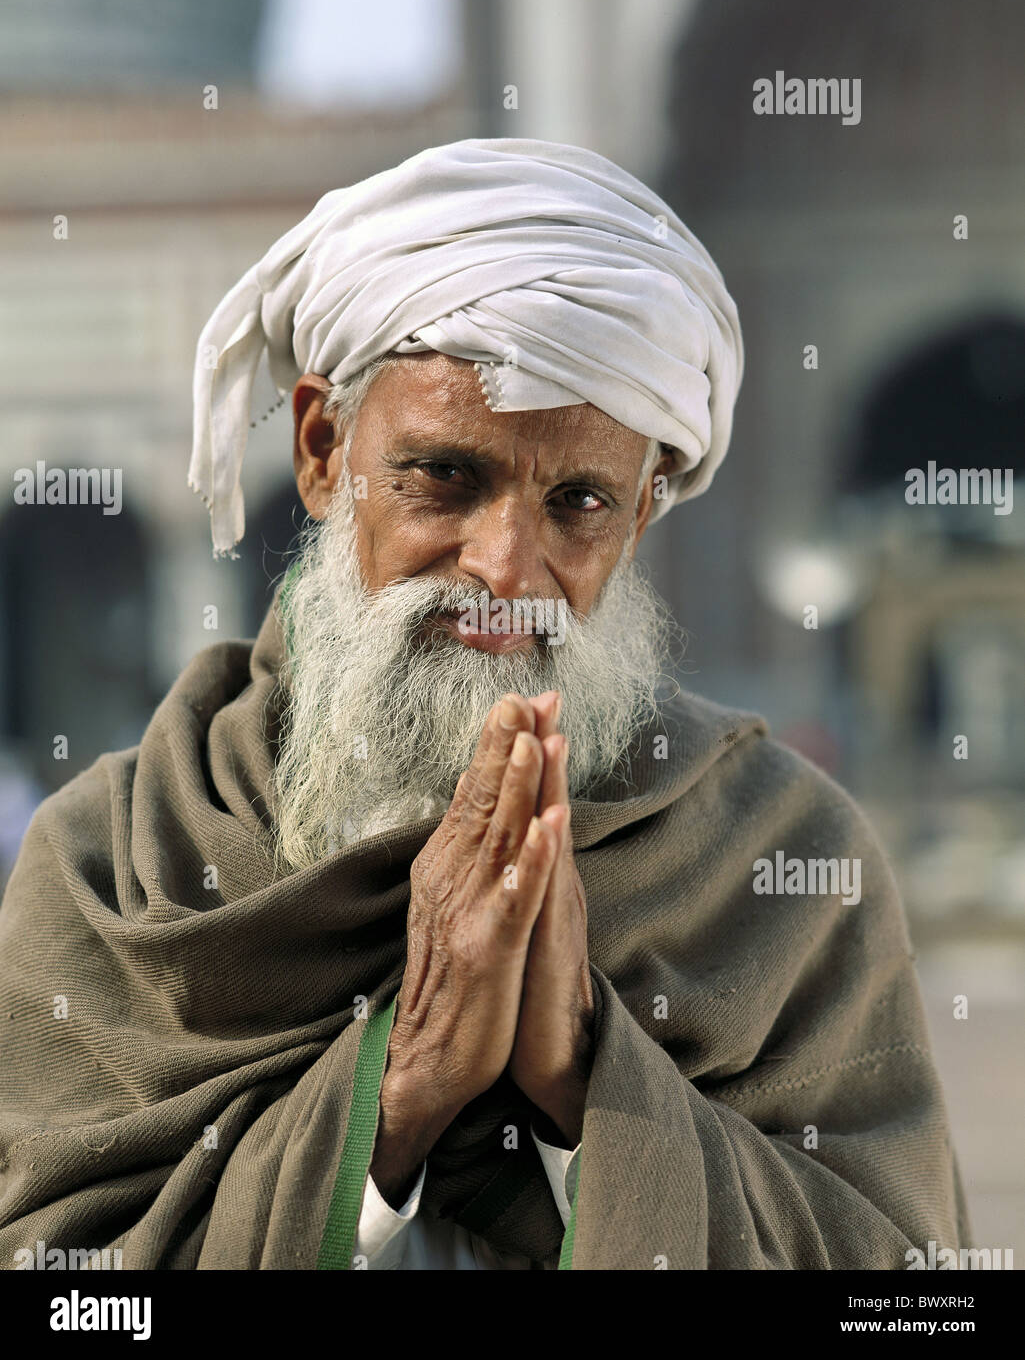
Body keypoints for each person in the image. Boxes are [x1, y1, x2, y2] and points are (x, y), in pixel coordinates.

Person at [0, 139, 969, 1270]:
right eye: (445, 477)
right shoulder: (121, 861)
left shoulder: (782, 861)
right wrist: (397, 1095)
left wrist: (580, 1078)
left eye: (579, 501)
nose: (507, 567)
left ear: (645, 508)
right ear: (322, 451)